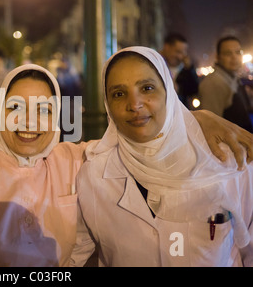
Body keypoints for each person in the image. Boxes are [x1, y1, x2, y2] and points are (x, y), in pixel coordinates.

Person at [0, 55, 252, 267]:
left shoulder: (82, 159)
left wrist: (192, 119)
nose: (30, 121)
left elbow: (140, 132)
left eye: (44, 109)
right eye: (16, 107)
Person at [70, 47, 252, 267]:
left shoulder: (227, 162)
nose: (134, 105)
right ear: (108, 105)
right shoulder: (94, 174)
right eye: (119, 94)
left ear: (169, 93)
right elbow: (76, 256)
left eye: (147, 88)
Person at [199, 36, 253, 132]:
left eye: (238, 52)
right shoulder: (213, 83)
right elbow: (211, 127)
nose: (234, 57)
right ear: (218, 57)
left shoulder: (233, 77)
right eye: (228, 53)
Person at [160, 33, 199, 109]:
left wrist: (190, 69)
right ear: (166, 47)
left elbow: (194, 91)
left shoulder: (186, 70)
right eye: (178, 52)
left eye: (183, 52)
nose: (181, 57)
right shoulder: (153, 65)